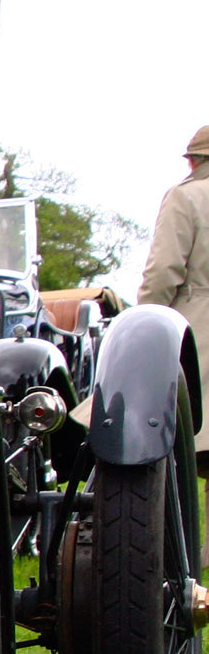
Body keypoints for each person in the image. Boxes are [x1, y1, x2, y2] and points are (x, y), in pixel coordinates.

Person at [137, 124, 209, 467]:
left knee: (166, 453)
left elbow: (164, 271)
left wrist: (143, 323)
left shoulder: (186, 196)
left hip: (199, 334)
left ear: (194, 162)